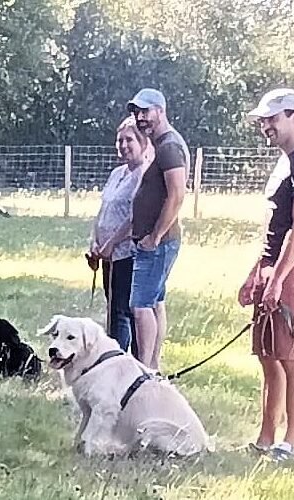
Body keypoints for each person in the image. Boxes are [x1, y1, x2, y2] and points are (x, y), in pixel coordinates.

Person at [240, 88, 294, 463]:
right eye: (262, 120)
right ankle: (265, 437)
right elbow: (273, 228)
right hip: (272, 267)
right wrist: (255, 273)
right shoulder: (285, 161)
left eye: (272, 119)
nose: (265, 126)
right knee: (268, 355)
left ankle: (289, 442)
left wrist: (277, 279)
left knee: (291, 355)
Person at [125, 88, 190, 370]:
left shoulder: (168, 147)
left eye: (146, 112)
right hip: (155, 241)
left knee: (140, 307)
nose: (141, 118)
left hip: (158, 243)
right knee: (154, 303)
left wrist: (155, 236)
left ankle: (144, 370)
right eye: (137, 113)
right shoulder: (162, 145)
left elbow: (176, 194)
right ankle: (153, 366)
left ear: (160, 111)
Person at [87, 117, 151, 353]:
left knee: (122, 312)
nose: (123, 145)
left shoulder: (144, 176)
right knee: (112, 307)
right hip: (107, 254)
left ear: (143, 143)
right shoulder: (117, 173)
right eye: (120, 140)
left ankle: (121, 360)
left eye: (129, 140)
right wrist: (95, 241)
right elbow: (104, 210)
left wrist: (111, 244)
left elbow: (135, 218)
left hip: (126, 254)